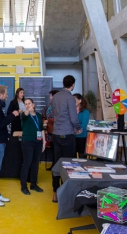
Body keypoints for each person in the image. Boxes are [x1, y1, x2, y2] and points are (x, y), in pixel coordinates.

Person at [51, 75, 81, 203]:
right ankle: (65, 192)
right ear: (73, 85)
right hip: (67, 134)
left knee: (56, 163)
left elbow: (52, 114)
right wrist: (78, 128)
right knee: (68, 164)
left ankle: (55, 192)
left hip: (56, 133)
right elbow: (74, 118)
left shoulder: (56, 96)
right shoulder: (70, 98)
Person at [19, 98, 45, 195]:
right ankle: (23, 186)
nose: (28, 105)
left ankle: (33, 184)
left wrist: (44, 142)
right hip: (27, 142)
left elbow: (41, 129)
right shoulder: (24, 115)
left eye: (29, 103)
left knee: (35, 164)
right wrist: (27, 110)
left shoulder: (38, 115)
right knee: (27, 163)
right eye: (26, 104)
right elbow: (24, 116)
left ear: (33, 104)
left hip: (38, 142)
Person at [43, 89, 59, 171]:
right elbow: (44, 115)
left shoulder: (58, 105)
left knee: (56, 150)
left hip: (56, 130)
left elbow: (57, 118)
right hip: (49, 131)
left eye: (51, 95)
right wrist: (43, 120)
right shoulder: (49, 105)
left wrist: (48, 120)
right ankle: (53, 165)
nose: (49, 97)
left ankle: (56, 166)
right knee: (52, 149)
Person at [73, 93, 90, 158]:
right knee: (72, 157)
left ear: (80, 101)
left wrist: (74, 129)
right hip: (72, 137)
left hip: (82, 137)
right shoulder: (72, 111)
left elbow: (83, 125)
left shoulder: (85, 112)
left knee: (82, 157)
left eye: (74, 99)